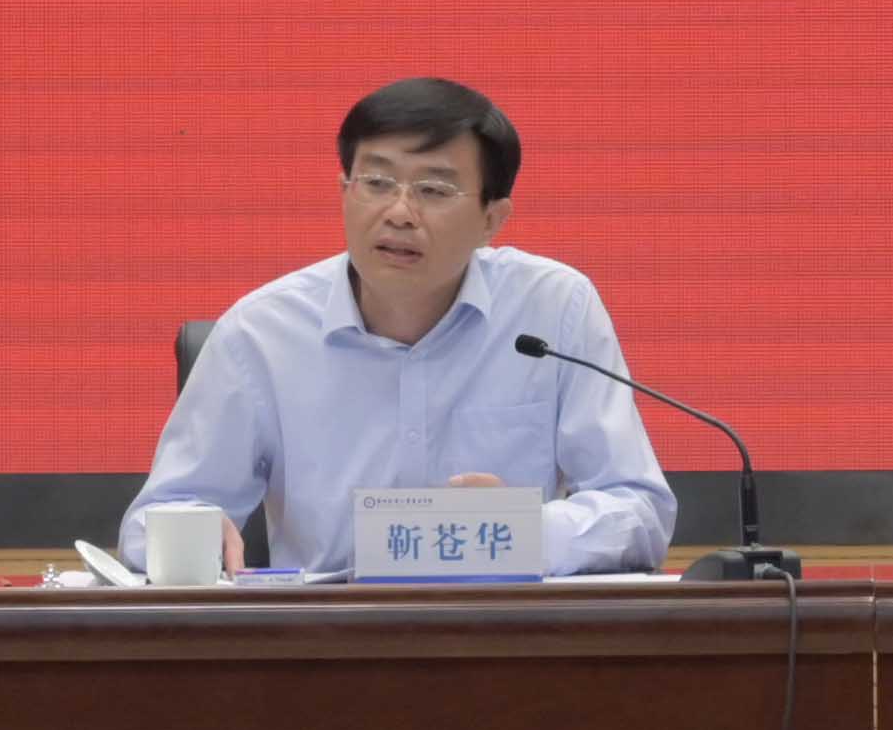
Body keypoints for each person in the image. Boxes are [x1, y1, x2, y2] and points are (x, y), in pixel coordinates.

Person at [121, 77, 676, 580]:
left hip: (502, 636)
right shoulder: (261, 332)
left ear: (492, 219)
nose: (399, 213)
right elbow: (153, 520)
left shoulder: (554, 309)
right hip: (324, 640)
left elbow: (640, 510)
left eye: (434, 190)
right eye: (377, 182)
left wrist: (525, 531)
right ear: (344, 192)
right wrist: (188, 534)